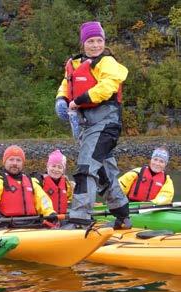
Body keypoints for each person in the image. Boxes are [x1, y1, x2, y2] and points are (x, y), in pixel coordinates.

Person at [55, 21, 131, 229]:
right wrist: (61, 100)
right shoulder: (77, 64)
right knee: (105, 171)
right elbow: (66, 84)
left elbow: (107, 87)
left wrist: (78, 100)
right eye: (90, 41)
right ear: (83, 43)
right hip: (88, 125)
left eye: (99, 40)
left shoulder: (107, 63)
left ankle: (79, 218)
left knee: (86, 166)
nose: (95, 45)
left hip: (106, 123)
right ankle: (122, 216)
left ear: (104, 42)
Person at [0, 145, 56, 226]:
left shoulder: (31, 181)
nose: (15, 163)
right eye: (11, 159)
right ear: (5, 162)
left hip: (32, 223)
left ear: (22, 163)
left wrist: (50, 213)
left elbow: (43, 200)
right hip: (6, 224)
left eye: (18, 160)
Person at [31, 149, 73, 214]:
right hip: (44, 219)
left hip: (61, 218)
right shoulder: (40, 181)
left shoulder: (66, 184)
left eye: (60, 167)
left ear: (63, 170)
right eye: (53, 166)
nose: (56, 169)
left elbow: (69, 200)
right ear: (47, 166)